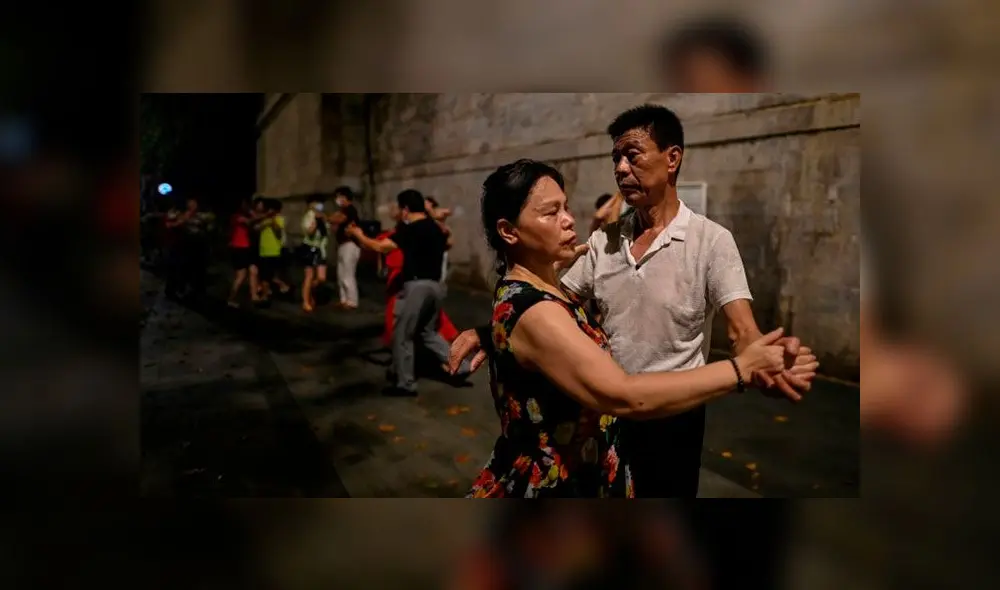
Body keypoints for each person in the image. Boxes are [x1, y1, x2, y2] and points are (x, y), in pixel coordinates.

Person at [451, 105, 818, 498]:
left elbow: (743, 330)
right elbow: (548, 311)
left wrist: (765, 365)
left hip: (675, 415)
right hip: (606, 411)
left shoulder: (711, 241)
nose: (621, 169)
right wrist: (494, 332)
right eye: (615, 158)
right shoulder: (603, 242)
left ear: (672, 158)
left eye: (632, 154)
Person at [345, 189, 467, 396]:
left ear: (406, 209)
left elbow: (380, 247)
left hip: (416, 286)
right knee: (428, 332)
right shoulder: (435, 228)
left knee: (402, 335)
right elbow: (447, 244)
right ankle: (462, 366)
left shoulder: (411, 229)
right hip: (436, 286)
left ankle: (405, 384)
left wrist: (358, 235)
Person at [376, 202, 460, 347]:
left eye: (398, 207)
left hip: (411, 275)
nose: (394, 210)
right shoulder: (406, 228)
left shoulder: (418, 228)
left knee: (412, 313)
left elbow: (448, 240)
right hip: (406, 273)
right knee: (424, 314)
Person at [329, 186, 361, 309]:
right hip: (342, 244)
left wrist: (327, 218)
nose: (338, 199)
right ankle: (344, 299)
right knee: (341, 274)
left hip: (350, 245)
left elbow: (338, 219)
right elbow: (335, 225)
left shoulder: (350, 209)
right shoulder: (342, 210)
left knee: (348, 273)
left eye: (340, 196)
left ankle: (352, 301)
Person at [253, 198, 290, 303]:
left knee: (267, 276)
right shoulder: (265, 219)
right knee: (266, 275)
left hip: (273, 251)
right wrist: (265, 221)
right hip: (263, 251)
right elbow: (256, 228)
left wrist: (272, 221)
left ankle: (266, 295)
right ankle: (274, 290)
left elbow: (278, 231)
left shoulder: (279, 218)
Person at [300, 194, 330, 313]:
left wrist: (324, 219)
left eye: (320, 202)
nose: (318, 205)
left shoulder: (323, 216)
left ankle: (310, 294)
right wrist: (316, 221)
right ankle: (305, 301)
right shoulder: (308, 216)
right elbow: (309, 232)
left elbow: (328, 232)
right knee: (309, 276)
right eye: (316, 202)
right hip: (310, 248)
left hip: (321, 249)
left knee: (322, 278)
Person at [226, 198, 254, 308]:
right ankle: (231, 298)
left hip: (241, 247)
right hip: (240, 248)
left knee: (244, 273)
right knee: (241, 275)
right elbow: (249, 222)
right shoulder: (237, 217)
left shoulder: (236, 217)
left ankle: (234, 297)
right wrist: (264, 215)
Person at [425, 195, 454, 291]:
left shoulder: (437, 212)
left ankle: (440, 285)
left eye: (427, 203)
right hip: (432, 243)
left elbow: (449, 211)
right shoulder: (425, 215)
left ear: (431, 203)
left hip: (441, 243)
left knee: (442, 267)